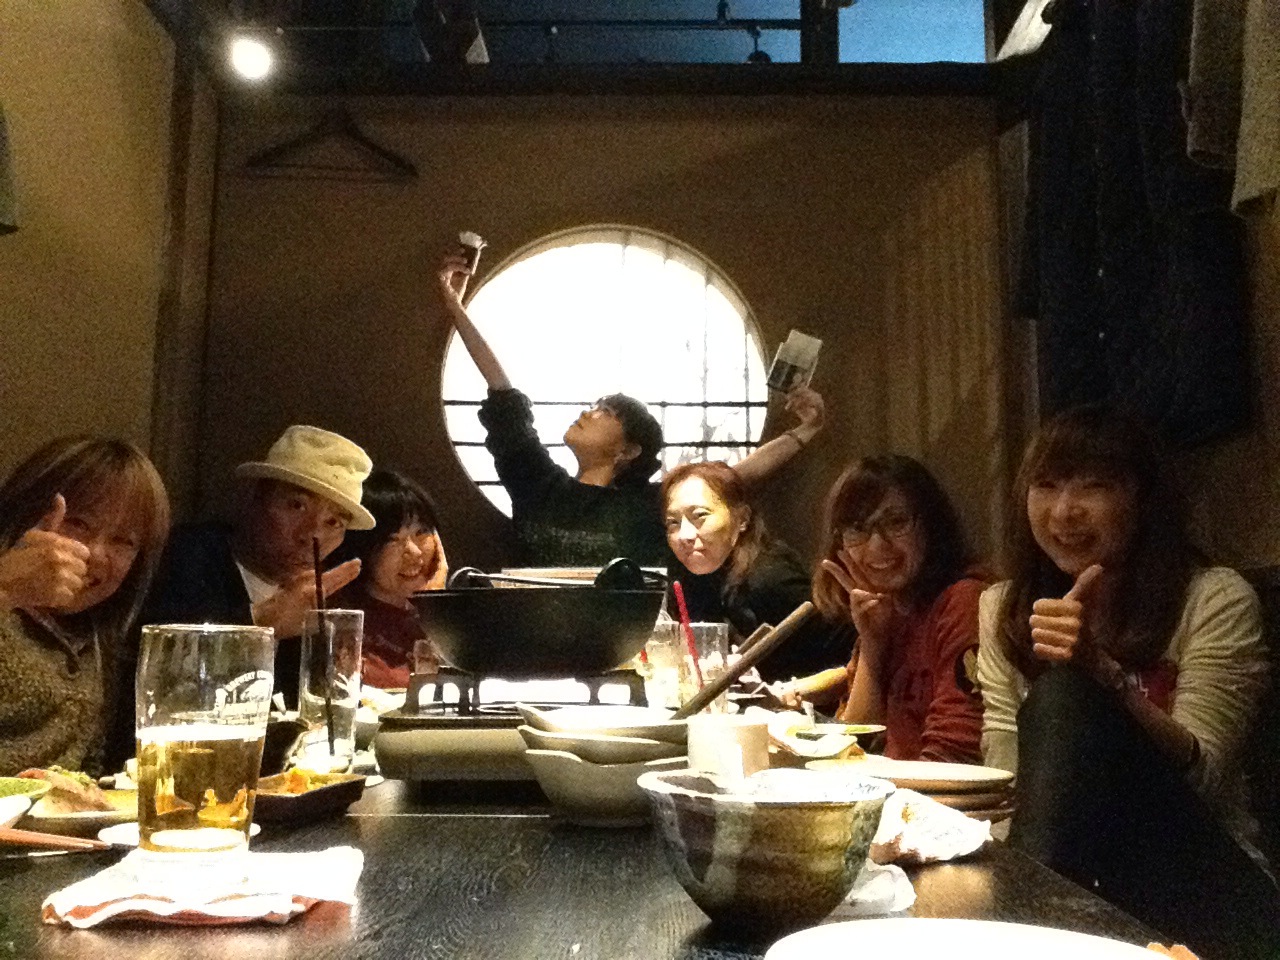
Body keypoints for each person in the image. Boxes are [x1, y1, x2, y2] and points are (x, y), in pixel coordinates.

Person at [976, 406, 1280, 959]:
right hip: (1071, 879)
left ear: (1143, 500)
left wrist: (1102, 674)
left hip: (1207, 888)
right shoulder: (1004, 608)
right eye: (1047, 485)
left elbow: (1206, 775)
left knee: (1065, 695)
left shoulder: (1212, 599)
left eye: (1094, 486)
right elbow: (1007, 778)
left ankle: (1016, 935)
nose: (1064, 511)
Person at [436, 249, 825, 567]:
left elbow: (737, 475)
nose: (587, 413)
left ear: (629, 450)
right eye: (593, 406)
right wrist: (454, 305)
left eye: (606, 411)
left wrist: (806, 429)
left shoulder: (652, 506)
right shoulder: (537, 484)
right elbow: (502, 391)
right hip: (540, 630)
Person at [775, 456, 986, 763]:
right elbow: (858, 739)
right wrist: (873, 644)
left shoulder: (964, 601)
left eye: (896, 522)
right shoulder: (888, 609)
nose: (877, 545)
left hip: (933, 790)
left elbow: (954, 756)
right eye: (857, 528)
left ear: (932, 525)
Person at [143, 425, 372, 705]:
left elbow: (327, 703)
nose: (312, 535)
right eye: (296, 506)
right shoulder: (185, 556)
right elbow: (165, 677)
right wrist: (262, 621)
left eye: (333, 522)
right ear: (254, 498)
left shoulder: (318, 597)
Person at [0, 436, 169, 776]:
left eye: (123, 541)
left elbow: (88, 768)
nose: (94, 554)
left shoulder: (97, 636)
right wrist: (6, 587)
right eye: (77, 523)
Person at [661, 460, 848, 682]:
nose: (684, 535)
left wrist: (794, 690)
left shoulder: (771, 578)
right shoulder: (687, 582)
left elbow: (849, 657)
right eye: (673, 523)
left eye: (700, 516)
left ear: (742, 519)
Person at [329, 470, 448, 689]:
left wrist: (436, 606)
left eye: (421, 533)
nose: (414, 552)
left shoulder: (447, 619)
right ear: (364, 547)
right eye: (392, 540)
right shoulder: (343, 620)